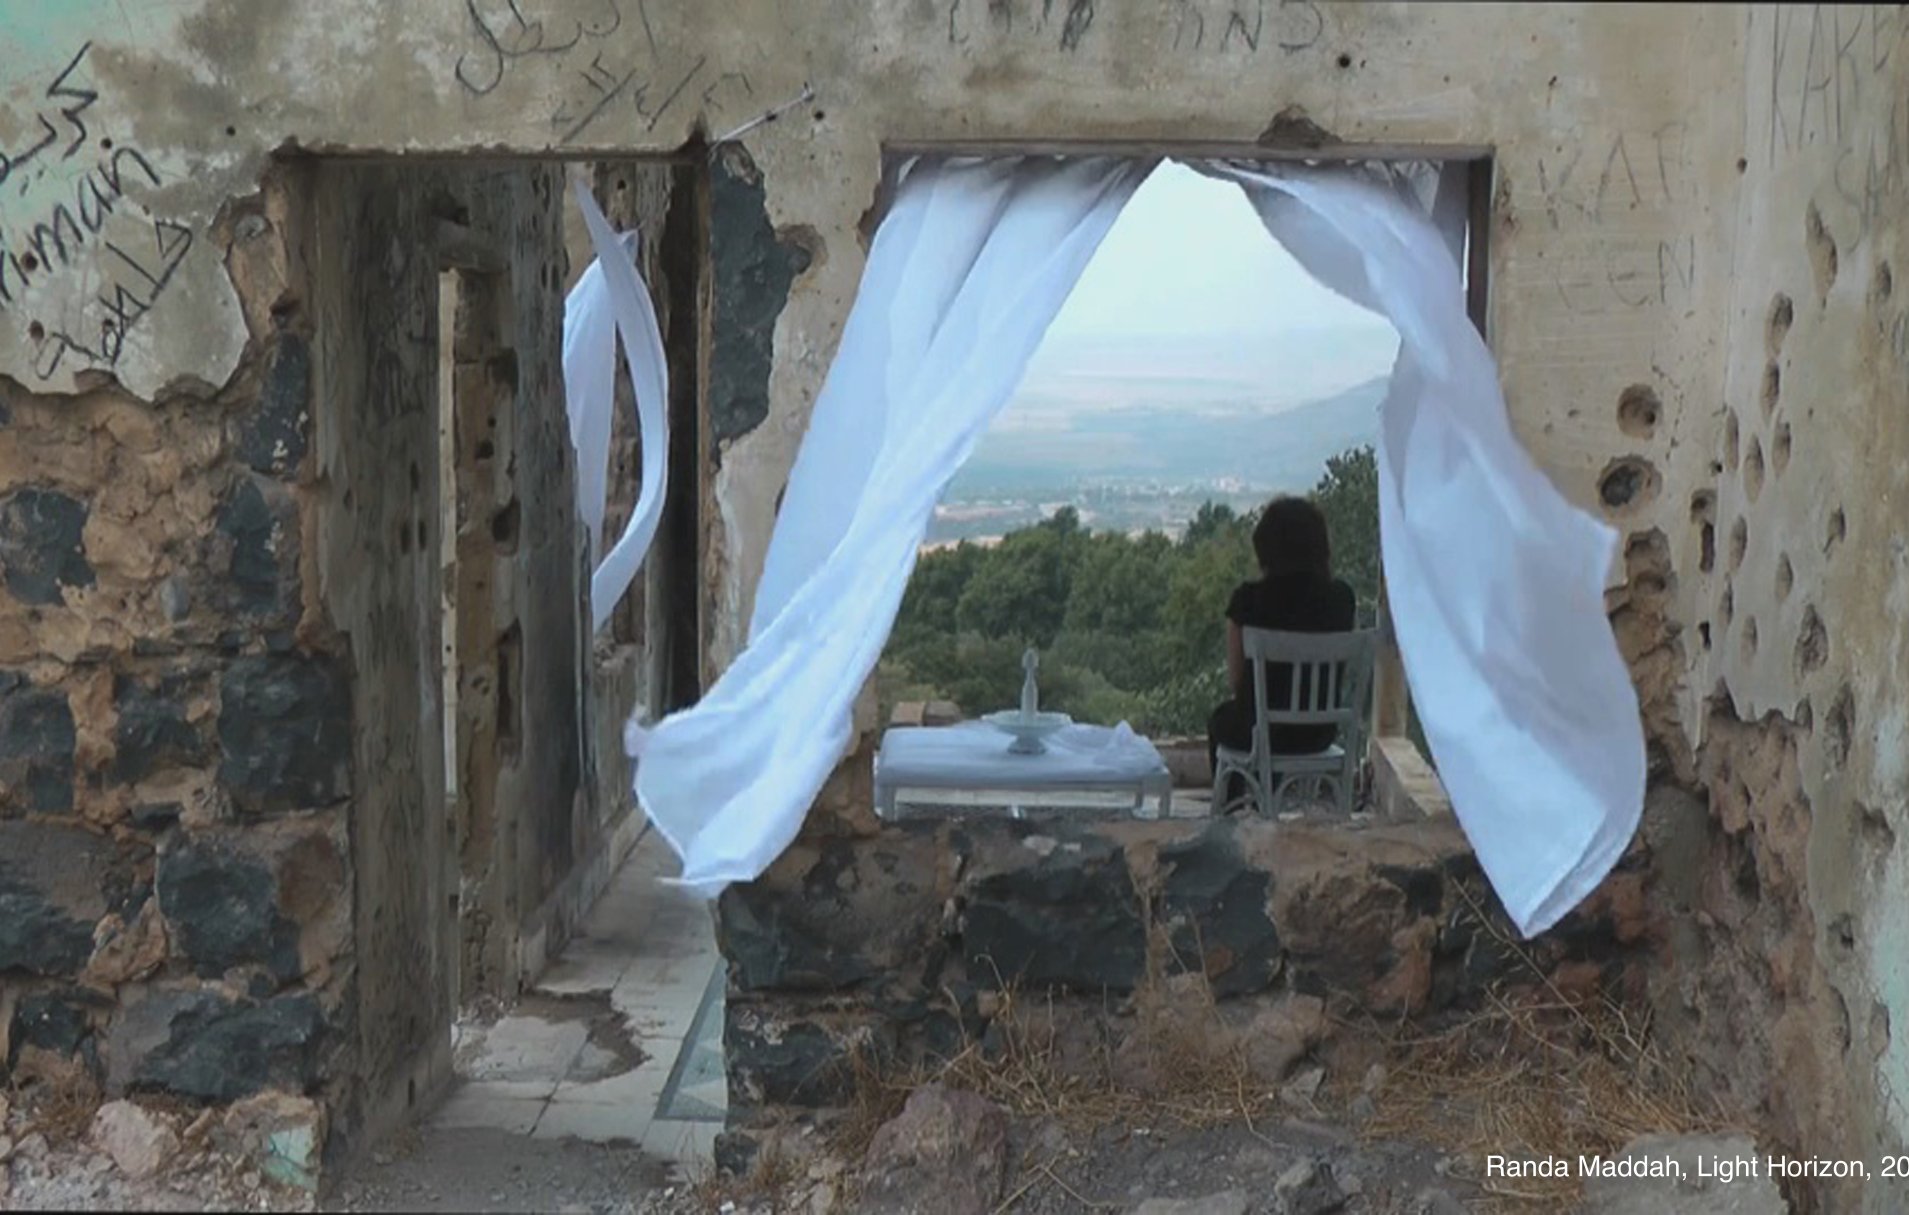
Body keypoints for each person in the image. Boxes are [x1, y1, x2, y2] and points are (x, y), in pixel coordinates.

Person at [1205, 496, 1358, 809]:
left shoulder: (1247, 601)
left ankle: (1232, 811)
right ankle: (1272, 807)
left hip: (1260, 734)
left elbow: (1236, 681)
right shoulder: (1342, 599)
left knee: (1222, 720)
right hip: (1318, 734)